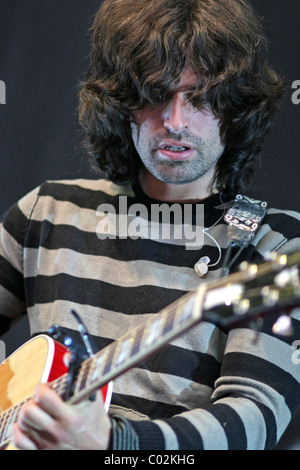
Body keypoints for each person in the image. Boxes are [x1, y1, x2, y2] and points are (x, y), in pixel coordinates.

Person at [1, 0, 300, 450]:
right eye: (154, 94)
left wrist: (112, 442)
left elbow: (251, 423)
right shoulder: (46, 212)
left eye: (200, 98)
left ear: (236, 109)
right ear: (118, 104)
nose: (175, 122)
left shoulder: (275, 245)